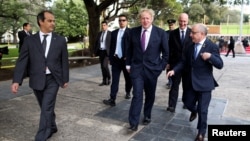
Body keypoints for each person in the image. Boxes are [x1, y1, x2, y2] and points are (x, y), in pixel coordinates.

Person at [11, 10, 69, 141]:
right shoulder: (29, 40)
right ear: (40, 22)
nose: (53, 23)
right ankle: (52, 126)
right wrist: (16, 81)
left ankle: (41, 135)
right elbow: (22, 61)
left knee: (46, 106)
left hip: (54, 79)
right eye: (49, 20)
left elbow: (64, 61)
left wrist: (65, 78)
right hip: (37, 79)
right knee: (45, 106)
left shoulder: (59, 40)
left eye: (54, 20)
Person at [167, 23, 223, 141]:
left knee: (203, 110)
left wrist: (210, 57)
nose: (190, 35)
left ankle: (201, 133)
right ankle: (194, 111)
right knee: (186, 102)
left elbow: (220, 64)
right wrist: (174, 70)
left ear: (202, 34)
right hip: (190, 82)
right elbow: (183, 62)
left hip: (204, 84)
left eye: (193, 33)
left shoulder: (211, 46)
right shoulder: (189, 46)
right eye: (191, 32)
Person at [126, 8, 169, 131]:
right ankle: (133, 123)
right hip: (137, 69)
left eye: (147, 18)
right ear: (140, 19)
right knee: (137, 95)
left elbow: (166, 54)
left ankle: (147, 115)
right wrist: (128, 65)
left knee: (150, 95)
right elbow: (129, 50)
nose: (145, 21)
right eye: (143, 18)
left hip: (152, 70)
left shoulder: (161, 33)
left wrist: (160, 68)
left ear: (152, 19)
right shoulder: (133, 32)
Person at [103, 14, 132, 106]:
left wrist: (129, 57)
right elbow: (111, 46)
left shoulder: (130, 32)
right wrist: (110, 58)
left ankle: (128, 92)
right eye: (120, 20)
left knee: (128, 79)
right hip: (116, 60)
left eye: (123, 20)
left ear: (127, 22)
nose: (121, 22)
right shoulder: (114, 33)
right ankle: (112, 99)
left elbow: (133, 47)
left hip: (126, 60)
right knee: (115, 80)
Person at [166, 13, 193, 113]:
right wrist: (168, 63)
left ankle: (186, 102)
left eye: (185, 21)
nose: (183, 23)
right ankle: (171, 105)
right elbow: (169, 49)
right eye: (181, 21)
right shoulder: (173, 33)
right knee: (174, 86)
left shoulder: (192, 32)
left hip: (187, 65)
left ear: (187, 21)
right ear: (178, 21)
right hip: (175, 65)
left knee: (187, 86)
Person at [95, 21, 111, 86]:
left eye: (104, 25)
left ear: (107, 26)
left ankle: (109, 78)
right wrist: (94, 52)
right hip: (100, 51)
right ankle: (104, 80)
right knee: (102, 67)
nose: (103, 27)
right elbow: (96, 43)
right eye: (102, 25)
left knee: (105, 66)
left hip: (106, 52)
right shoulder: (99, 34)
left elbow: (112, 44)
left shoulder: (110, 34)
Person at [165, 19, 176, 89]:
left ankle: (173, 81)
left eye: (172, 25)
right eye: (169, 25)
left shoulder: (176, 33)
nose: (170, 26)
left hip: (175, 54)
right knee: (168, 69)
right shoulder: (165, 33)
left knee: (174, 68)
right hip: (168, 54)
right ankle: (170, 81)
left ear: (174, 25)